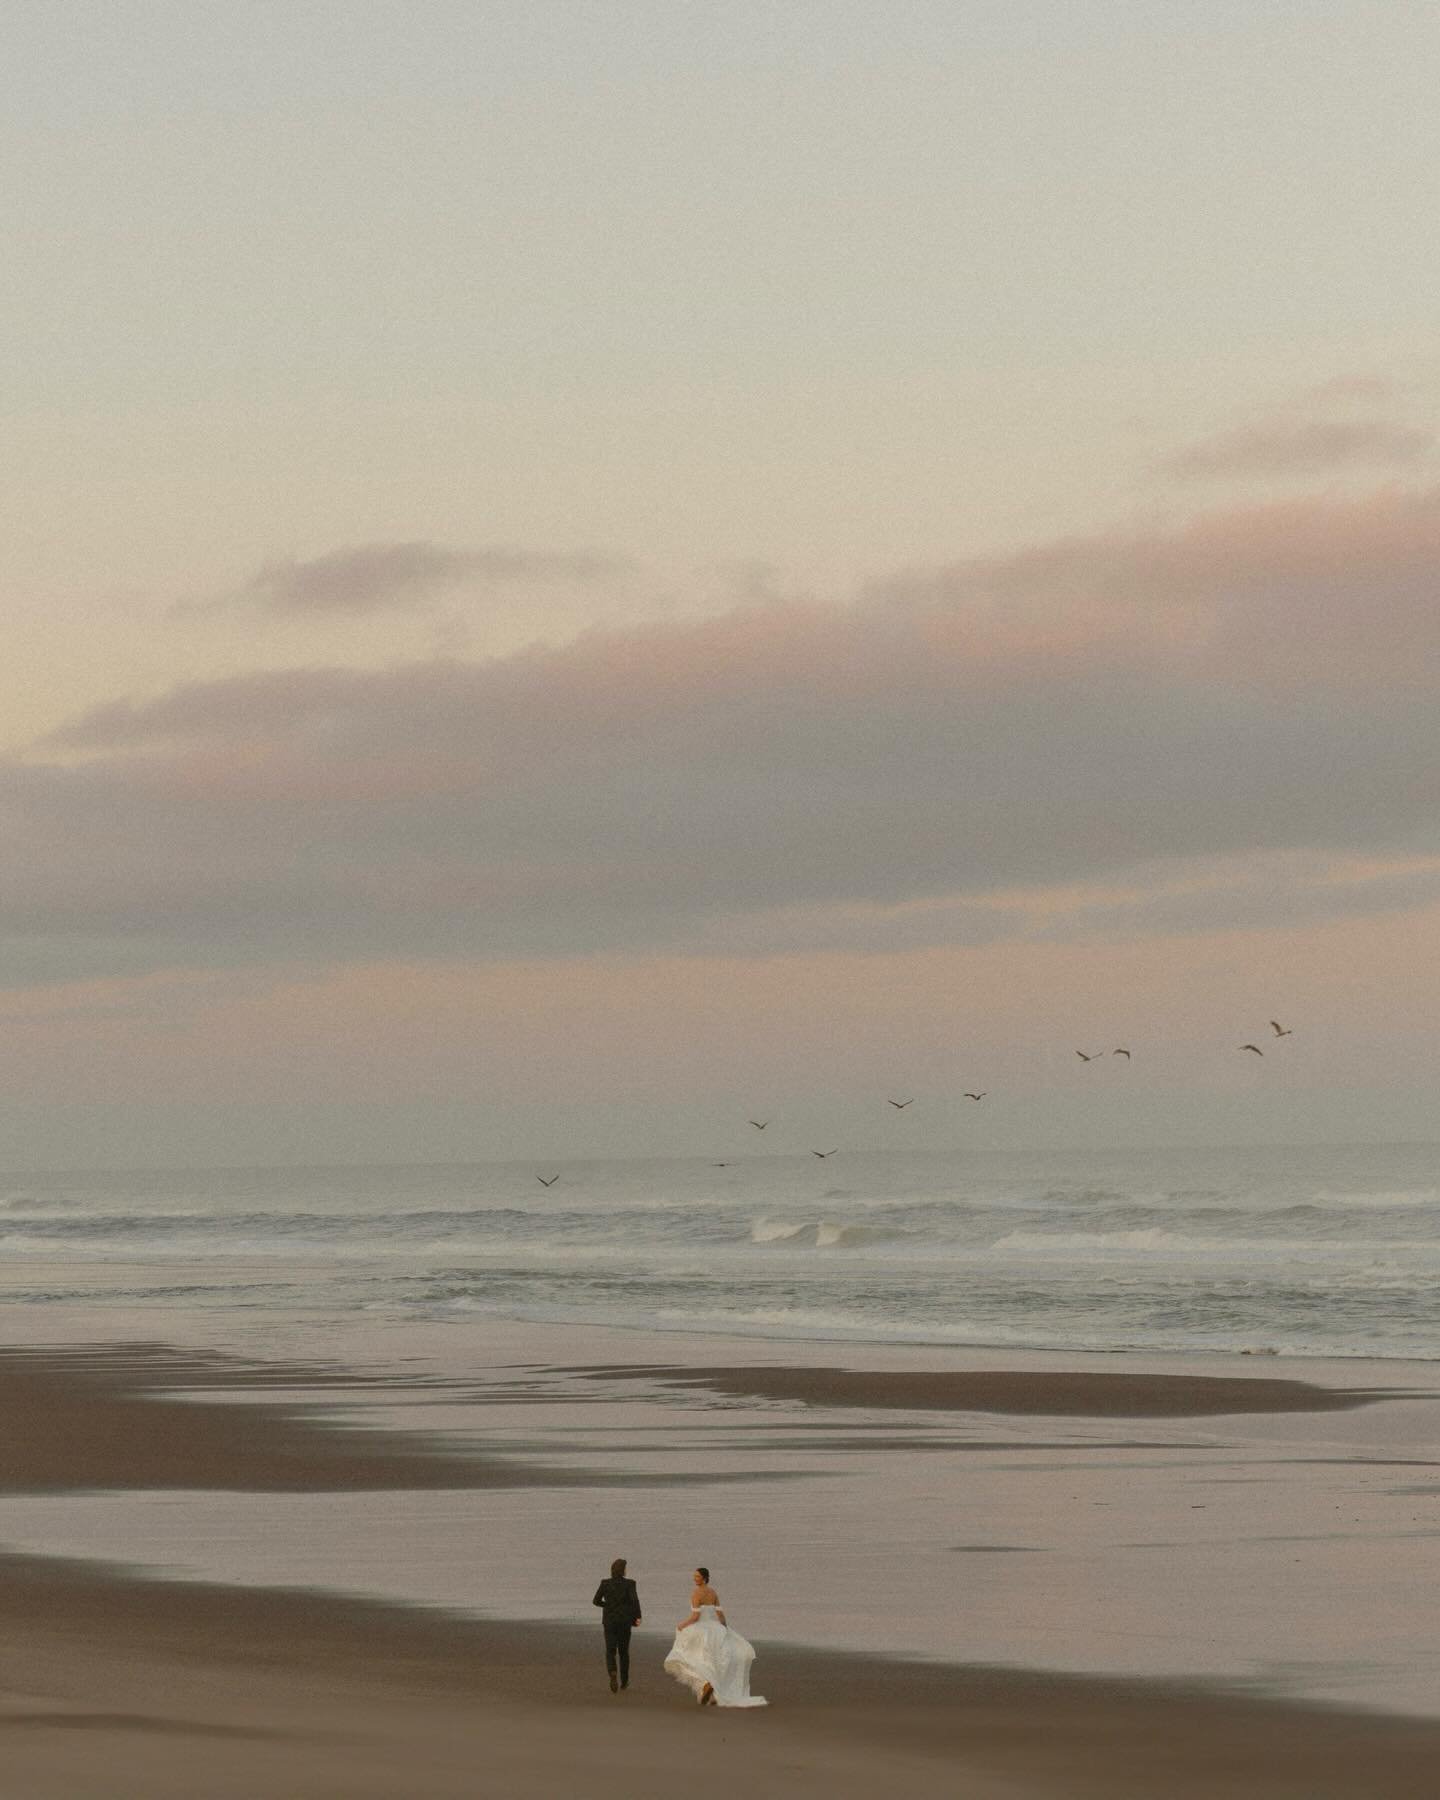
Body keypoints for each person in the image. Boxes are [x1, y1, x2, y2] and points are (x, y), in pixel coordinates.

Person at [663, 1566, 767, 1708]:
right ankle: (711, 1695)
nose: (695, 1579)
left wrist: (681, 1625)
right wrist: (725, 1629)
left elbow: (695, 1617)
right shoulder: (713, 1593)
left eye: (697, 1576)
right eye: (694, 1576)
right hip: (714, 1629)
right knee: (711, 1661)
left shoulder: (696, 1593)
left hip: (700, 1629)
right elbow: (720, 1615)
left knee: (687, 1658)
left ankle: (705, 1684)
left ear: (704, 1578)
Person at [592, 1557, 642, 1693]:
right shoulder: (630, 1584)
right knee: (624, 1652)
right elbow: (634, 1601)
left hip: (609, 1621)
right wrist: (638, 1617)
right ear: (623, 1570)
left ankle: (613, 1672)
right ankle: (624, 1682)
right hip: (625, 1622)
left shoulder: (605, 1583)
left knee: (610, 1650)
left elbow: (595, 1601)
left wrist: (607, 1605)